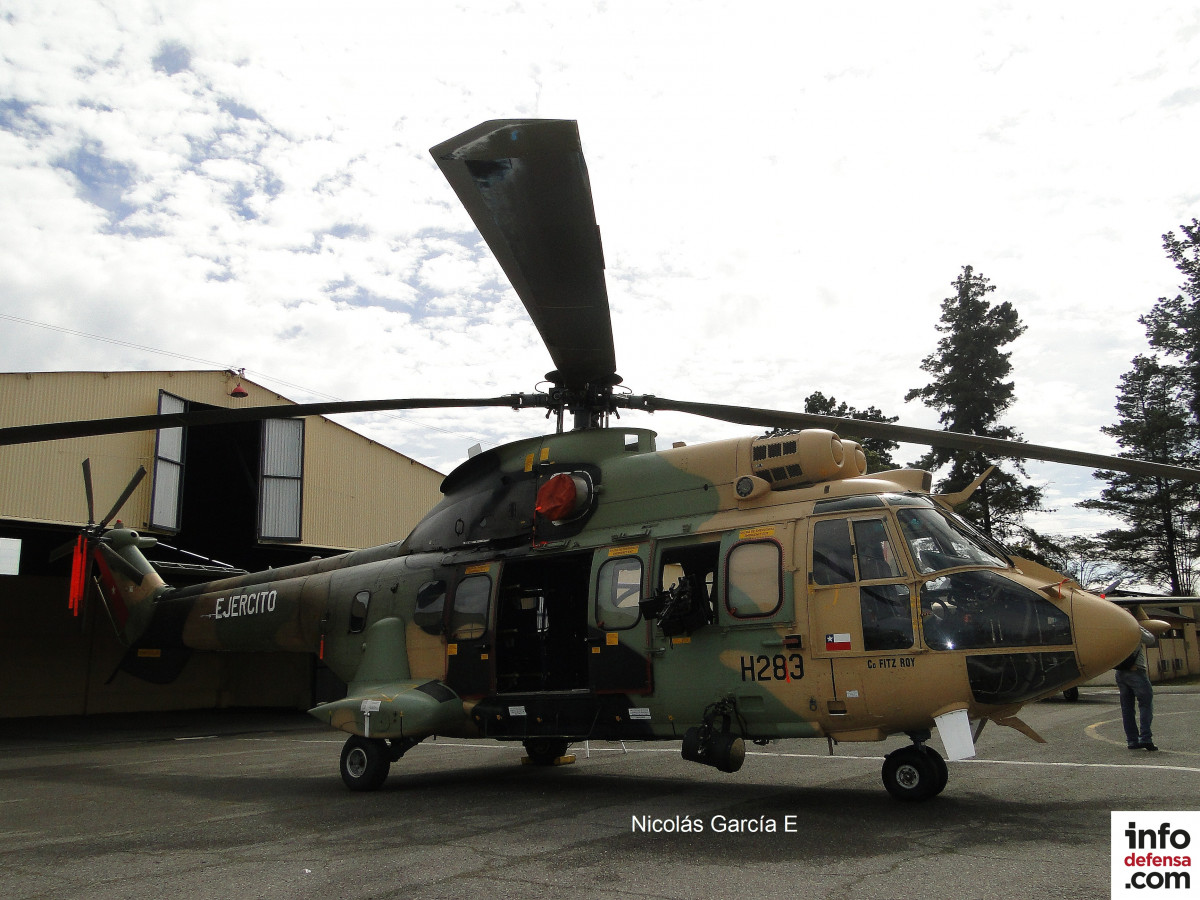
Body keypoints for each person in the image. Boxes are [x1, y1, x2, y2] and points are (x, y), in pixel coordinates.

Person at [1114, 625, 1158, 751]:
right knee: (1145, 704)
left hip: (1120, 672)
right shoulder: (1133, 629)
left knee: (1127, 708)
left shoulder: (1113, 631)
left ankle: (1132, 740)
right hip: (1136, 670)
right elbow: (1150, 639)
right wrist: (1137, 625)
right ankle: (1145, 738)